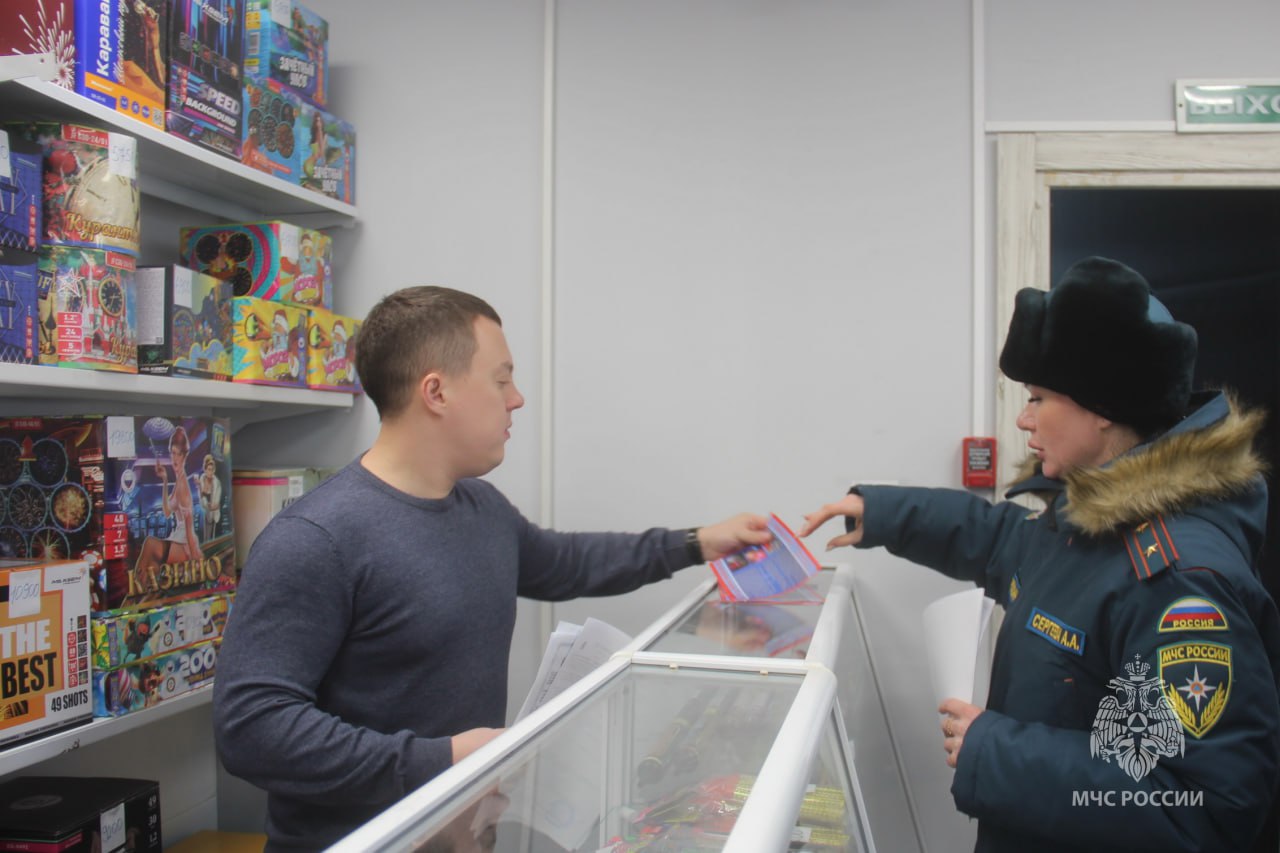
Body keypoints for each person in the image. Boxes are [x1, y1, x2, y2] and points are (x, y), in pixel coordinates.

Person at [213, 286, 772, 851]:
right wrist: (443, 759)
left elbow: (566, 563)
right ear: (436, 392)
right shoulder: (315, 539)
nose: (517, 399)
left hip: (463, 836)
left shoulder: (480, 507)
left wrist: (697, 543)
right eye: (501, 380)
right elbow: (252, 730)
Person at [800, 257, 1280, 853]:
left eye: (1039, 398)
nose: (1024, 419)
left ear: (1102, 408)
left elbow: (1200, 804)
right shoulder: (1091, 523)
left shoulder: (1179, 580)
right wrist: (882, 512)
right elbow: (1004, 540)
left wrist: (994, 751)